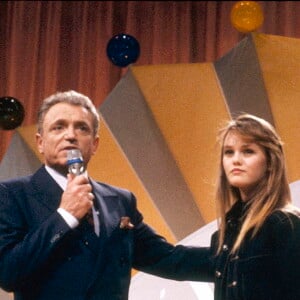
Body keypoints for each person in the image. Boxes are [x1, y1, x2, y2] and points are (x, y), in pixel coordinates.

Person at [0, 90, 209, 300]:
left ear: (94, 145)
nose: (71, 135)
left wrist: (237, 257)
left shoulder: (121, 201)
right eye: (58, 127)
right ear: (40, 143)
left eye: (82, 128)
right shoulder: (13, 195)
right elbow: (8, 273)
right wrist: (65, 216)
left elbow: (170, 259)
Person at [200, 113, 300, 300]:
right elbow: (173, 260)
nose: (236, 160)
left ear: (270, 162)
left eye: (248, 151)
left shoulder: (284, 224)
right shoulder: (222, 239)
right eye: (229, 152)